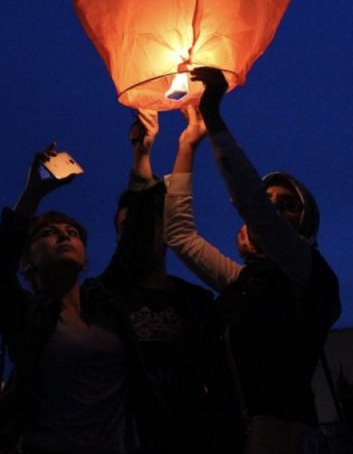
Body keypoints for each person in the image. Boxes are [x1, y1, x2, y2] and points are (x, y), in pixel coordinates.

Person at [163, 67, 341, 451]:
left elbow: (253, 206)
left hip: (279, 437)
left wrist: (213, 115)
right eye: (270, 200)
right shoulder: (245, 282)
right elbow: (179, 235)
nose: (274, 210)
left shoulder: (308, 271)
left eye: (288, 205)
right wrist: (187, 146)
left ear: (306, 223)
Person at [0, 142, 156, 454]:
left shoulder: (105, 304)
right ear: (28, 260)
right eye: (47, 233)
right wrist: (33, 193)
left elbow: (137, 241)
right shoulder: (27, 316)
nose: (63, 235)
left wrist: (141, 156)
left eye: (72, 232)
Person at [108, 110, 216, 453]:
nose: (134, 236)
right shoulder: (106, 301)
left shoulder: (198, 303)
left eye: (140, 227)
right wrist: (140, 154)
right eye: (123, 230)